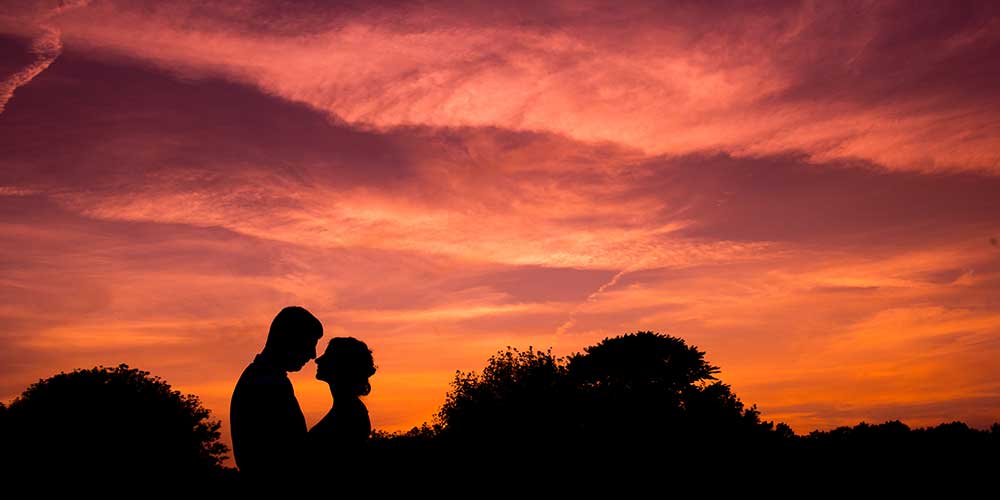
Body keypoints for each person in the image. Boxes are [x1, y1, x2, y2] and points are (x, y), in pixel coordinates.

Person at [230, 306, 323, 487]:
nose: (313, 355)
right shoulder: (266, 383)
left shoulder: (261, 378)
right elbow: (289, 453)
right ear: (290, 339)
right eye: (310, 344)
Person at [309, 337, 376, 475]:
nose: (318, 360)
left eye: (327, 356)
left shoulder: (350, 414)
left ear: (342, 365)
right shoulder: (348, 409)